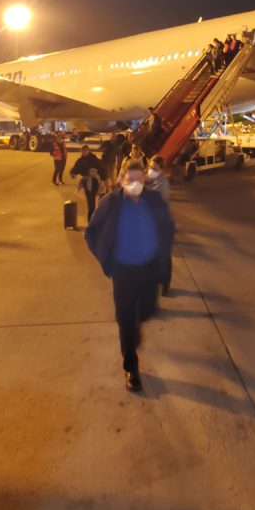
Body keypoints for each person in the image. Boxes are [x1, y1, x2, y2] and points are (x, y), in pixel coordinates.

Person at [85, 163, 175, 392]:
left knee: (146, 311)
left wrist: (163, 260)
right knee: (125, 319)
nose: (135, 185)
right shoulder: (110, 203)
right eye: (130, 180)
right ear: (121, 180)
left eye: (139, 180)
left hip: (149, 269)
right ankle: (131, 367)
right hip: (123, 271)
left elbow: (167, 227)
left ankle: (135, 328)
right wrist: (106, 260)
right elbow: (91, 232)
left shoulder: (154, 200)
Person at [147, 155, 173, 296]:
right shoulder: (150, 181)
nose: (151, 170)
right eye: (150, 167)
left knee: (163, 255)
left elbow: (160, 202)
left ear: (161, 170)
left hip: (161, 223)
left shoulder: (163, 183)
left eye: (155, 169)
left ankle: (165, 283)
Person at [69, 144, 105, 222]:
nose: (84, 152)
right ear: (81, 151)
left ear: (88, 150)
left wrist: (104, 180)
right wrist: (72, 174)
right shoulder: (80, 160)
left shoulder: (93, 158)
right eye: (83, 151)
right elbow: (74, 170)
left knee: (92, 200)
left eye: (86, 150)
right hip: (85, 182)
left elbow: (101, 168)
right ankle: (92, 218)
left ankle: (91, 220)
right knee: (89, 200)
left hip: (94, 181)